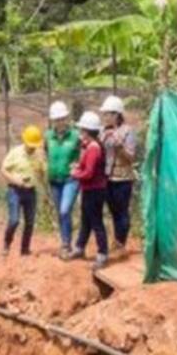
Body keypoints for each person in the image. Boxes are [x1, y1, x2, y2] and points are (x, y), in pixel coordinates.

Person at [66, 110, 108, 268]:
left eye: (81, 129)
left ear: (86, 131)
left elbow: (89, 173)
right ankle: (79, 247)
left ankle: (102, 254)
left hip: (94, 190)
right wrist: (79, 166)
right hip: (91, 189)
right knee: (86, 221)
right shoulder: (91, 146)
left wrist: (75, 173)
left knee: (96, 222)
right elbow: (90, 167)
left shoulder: (93, 148)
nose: (79, 132)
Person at [99, 94, 138, 254]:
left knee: (122, 210)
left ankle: (121, 242)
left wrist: (118, 146)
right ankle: (117, 240)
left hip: (123, 178)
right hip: (107, 177)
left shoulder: (128, 132)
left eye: (108, 114)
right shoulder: (102, 131)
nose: (105, 117)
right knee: (113, 210)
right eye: (104, 114)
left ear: (116, 114)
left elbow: (131, 157)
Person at [0, 125, 46, 256]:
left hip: (31, 191)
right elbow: (3, 169)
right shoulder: (15, 152)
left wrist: (44, 190)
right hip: (15, 190)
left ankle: (25, 250)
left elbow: (42, 173)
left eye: (34, 145)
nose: (32, 147)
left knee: (30, 222)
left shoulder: (38, 155)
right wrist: (15, 180)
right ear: (25, 141)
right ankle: (6, 244)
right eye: (30, 144)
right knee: (14, 220)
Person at [44, 100, 81, 256]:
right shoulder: (48, 136)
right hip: (54, 180)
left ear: (67, 118)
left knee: (65, 210)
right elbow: (45, 153)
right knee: (61, 212)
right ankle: (65, 243)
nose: (60, 122)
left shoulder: (76, 136)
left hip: (70, 180)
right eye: (56, 119)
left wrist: (78, 165)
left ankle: (66, 244)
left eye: (62, 118)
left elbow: (84, 153)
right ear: (52, 120)